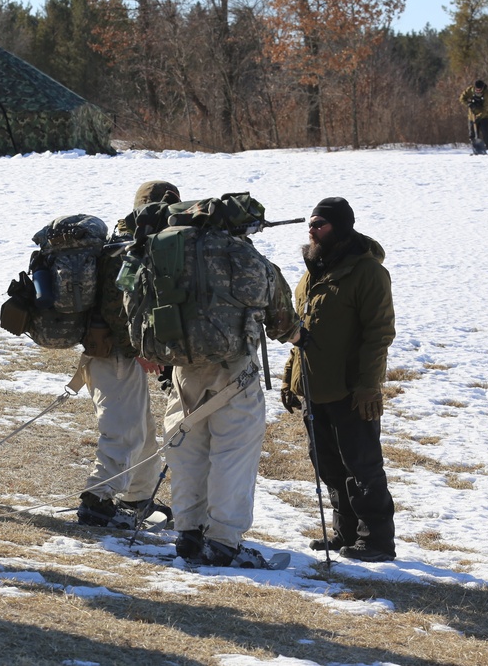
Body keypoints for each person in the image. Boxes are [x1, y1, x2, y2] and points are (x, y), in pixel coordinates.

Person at [160, 206, 302, 567]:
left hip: (182, 368)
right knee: (233, 456)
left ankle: (189, 535)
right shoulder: (251, 261)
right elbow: (282, 322)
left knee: (188, 451)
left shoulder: (169, 257)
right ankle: (223, 542)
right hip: (234, 371)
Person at [281, 197, 397, 563]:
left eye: (320, 224)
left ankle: (376, 540)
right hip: (315, 386)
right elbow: (300, 331)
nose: (312, 230)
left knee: (361, 465)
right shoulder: (312, 271)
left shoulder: (368, 272)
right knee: (327, 464)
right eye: (311, 224)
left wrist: (368, 385)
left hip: (350, 389)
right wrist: (289, 378)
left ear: (341, 227)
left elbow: (379, 333)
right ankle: (345, 532)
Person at [75, 181, 178, 528]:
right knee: (123, 431)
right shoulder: (128, 248)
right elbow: (117, 306)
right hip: (115, 354)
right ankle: (98, 501)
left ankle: (136, 499)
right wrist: (140, 348)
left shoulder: (133, 242)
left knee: (143, 433)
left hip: (120, 354)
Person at [459, 79, 488, 152]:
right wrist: (469, 104)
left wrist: (479, 117)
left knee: (486, 133)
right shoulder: (470, 90)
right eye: (476, 89)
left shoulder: (486, 93)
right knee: (472, 135)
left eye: (479, 90)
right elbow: (462, 98)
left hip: (483, 116)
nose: (478, 91)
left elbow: (486, 108)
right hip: (472, 116)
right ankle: (476, 150)